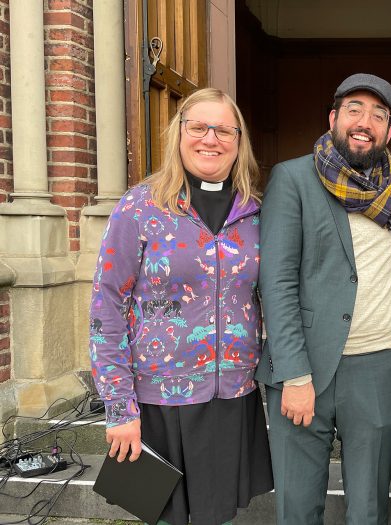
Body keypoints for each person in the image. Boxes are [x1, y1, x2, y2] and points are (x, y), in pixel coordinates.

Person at [89, 87, 273, 525]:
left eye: (224, 129)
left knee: (216, 516)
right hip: (159, 400)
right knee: (164, 515)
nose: (211, 138)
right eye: (198, 127)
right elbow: (107, 305)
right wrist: (119, 407)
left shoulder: (256, 213)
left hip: (231, 396)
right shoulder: (140, 207)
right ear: (178, 134)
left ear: (239, 141)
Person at [253, 73, 391, 524]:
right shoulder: (292, 179)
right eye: (354, 109)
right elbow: (277, 281)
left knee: (369, 508)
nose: (364, 121)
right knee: (299, 505)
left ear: (389, 132)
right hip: (304, 369)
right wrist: (293, 373)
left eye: (378, 115)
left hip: (378, 366)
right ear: (333, 118)